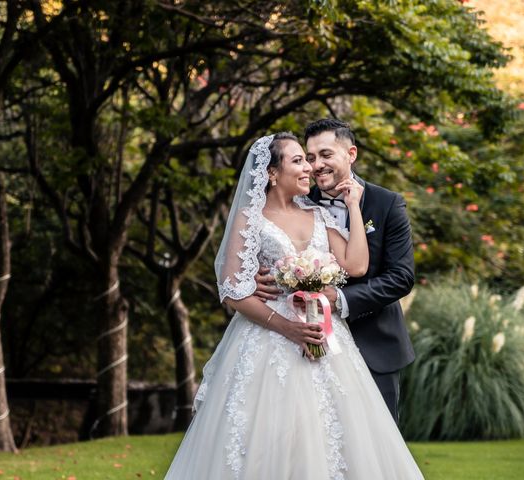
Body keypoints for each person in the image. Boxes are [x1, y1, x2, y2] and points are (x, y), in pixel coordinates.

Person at [165, 132, 424, 479]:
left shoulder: (319, 212)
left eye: (314, 158)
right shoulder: (250, 218)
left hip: (328, 339)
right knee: (268, 435)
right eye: (300, 160)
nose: (311, 168)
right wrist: (280, 318)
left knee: (336, 434)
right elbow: (231, 289)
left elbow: (357, 266)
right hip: (268, 342)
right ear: (272, 173)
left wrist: (352, 207)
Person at [255, 119, 415, 421]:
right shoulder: (298, 202)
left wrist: (339, 299)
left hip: (375, 345)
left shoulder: (387, 204)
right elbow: (264, 248)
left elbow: (401, 277)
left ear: (350, 153)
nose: (317, 165)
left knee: (377, 452)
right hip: (309, 348)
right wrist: (256, 275)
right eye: (310, 157)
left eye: (326, 155)